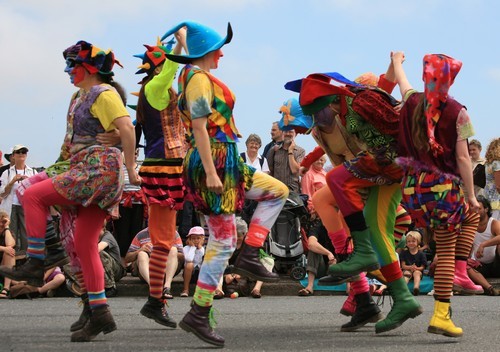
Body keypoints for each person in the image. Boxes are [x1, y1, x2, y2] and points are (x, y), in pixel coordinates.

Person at [0, 40, 140, 342]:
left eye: (72, 66)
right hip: (80, 166)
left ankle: (37, 261)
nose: (68, 71)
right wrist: (56, 168)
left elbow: (127, 129)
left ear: (88, 68)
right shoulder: (79, 96)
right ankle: (99, 310)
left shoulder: (104, 93)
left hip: (97, 170)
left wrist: (132, 167)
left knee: (30, 192)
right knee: (84, 243)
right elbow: (70, 141)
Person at [162, 20, 288, 347]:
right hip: (215, 159)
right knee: (222, 241)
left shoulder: (190, 75)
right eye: (218, 48)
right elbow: (201, 127)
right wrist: (211, 171)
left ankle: (249, 254)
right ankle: (199, 312)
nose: (221, 53)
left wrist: (182, 42)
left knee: (277, 192)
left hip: (224, 158)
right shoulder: (199, 79)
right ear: (207, 51)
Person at [285, 61, 421, 334]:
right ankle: (395, 296)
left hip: (385, 166)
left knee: (334, 185)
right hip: (369, 175)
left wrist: (395, 65)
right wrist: (302, 164)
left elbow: (390, 98)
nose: (313, 122)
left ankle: (360, 263)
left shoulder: (358, 102)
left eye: (315, 113)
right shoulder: (327, 121)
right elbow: (324, 149)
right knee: (369, 227)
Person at [393, 52, 481, 337]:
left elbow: (404, 85)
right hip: (443, 190)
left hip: (413, 190)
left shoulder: (412, 101)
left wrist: (396, 61)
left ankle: (457, 270)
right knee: (453, 240)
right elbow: (464, 158)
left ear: (425, 75)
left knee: (458, 225)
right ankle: (446, 304)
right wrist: (472, 196)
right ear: (451, 78)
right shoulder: (459, 111)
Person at [133, 30, 187, 329]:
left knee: (165, 241)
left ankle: (155, 300)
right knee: (163, 241)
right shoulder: (155, 87)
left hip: (170, 166)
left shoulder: (154, 88)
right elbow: (172, 68)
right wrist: (180, 43)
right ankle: (155, 301)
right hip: (163, 168)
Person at [0, 144, 38, 252]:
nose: (21, 154)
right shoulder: (6, 173)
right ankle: (12, 259)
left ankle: (26, 258)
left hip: (26, 206)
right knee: (11, 233)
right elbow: (2, 194)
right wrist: (12, 182)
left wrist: (28, 183)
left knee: (26, 233)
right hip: (10, 206)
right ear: (13, 156)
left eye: (23, 152)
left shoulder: (33, 172)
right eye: (18, 152)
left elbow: (37, 191)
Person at [466, 196, 500, 295]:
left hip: (496, 263)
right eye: (474, 209)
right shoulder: (470, 224)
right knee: (465, 266)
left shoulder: (493, 223)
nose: (476, 211)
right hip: (479, 265)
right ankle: (490, 288)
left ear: (486, 209)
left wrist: (483, 245)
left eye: (479, 209)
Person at [267, 129, 305, 193]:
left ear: (295, 134)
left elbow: (295, 170)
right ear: (282, 133)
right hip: (277, 191)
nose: (288, 134)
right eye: (286, 131)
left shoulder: (300, 151)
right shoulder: (274, 150)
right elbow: (270, 171)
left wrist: (290, 151)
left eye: (290, 132)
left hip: (293, 192)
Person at [98, 225, 126, 297]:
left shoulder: (108, 236)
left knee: (100, 254)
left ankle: (110, 287)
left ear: (103, 228)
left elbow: (98, 248)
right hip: (100, 270)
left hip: (116, 270)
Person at [399, 230, 427, 296]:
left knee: (417, 273)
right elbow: (403, 266)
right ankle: (404, 289)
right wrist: (410, 267)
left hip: (417, 271)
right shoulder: (404, 253)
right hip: (407, 270)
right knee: (406, 273)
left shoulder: (421, 254)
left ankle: (416, 288)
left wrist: (416, 268)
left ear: (418, 242)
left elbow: (423, 267)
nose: (411, 243)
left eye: (413, 241)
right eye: (409, 241)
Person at [181, 226, 206, 297]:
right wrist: (192, 248)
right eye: (193, 238)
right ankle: (186, 289)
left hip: (201, 274)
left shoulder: (203, 248)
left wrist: (200, 247)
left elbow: (202, 256)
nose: (196, 240)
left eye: (198, 238)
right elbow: (189, 259)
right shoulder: (186, 248)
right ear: (189, 239)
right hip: (190, 273)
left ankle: (202, 290)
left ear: (203, 239)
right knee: (189, 264)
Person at [483, 138, 500, 220]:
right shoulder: (497, 163)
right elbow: (499, 185)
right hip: (496, 199)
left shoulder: (488, 163)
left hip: (488, 197)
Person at [0, 210, 15, 298]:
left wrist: (7, 227)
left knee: (10, 252)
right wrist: (3, 248)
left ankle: (6, 289)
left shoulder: (7, 232)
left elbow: (10, 245)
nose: (1, 224)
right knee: (7, 250)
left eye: (3, 222)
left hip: (3, 267)